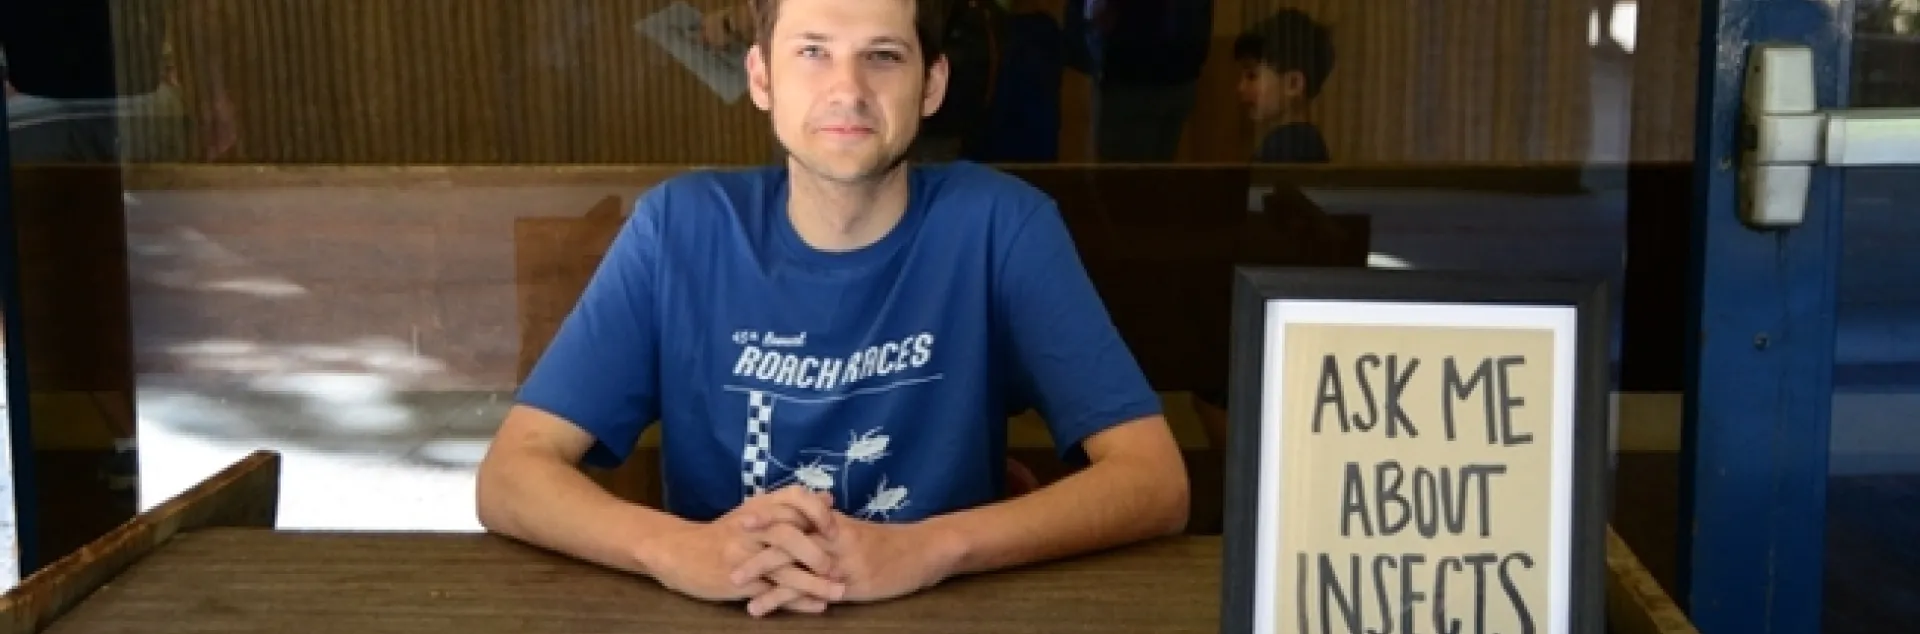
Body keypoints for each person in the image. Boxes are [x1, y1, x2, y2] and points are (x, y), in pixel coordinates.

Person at [476, 0, 1190, 619]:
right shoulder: (678, 229)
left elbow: (1154, 481)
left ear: (932, 85)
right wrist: (676, 549)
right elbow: (512, 475)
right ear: (762, 77)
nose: (847, 89)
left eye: (883, 56)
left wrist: (929, 549)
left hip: (941, 614)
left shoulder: (1001, 226)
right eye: (813, 52)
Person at [1232, 9, 1334, 164]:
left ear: (1293, 84)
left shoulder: (1285, 149)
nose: (1241, 87)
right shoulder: (1305, 141)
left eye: (1252, 76)